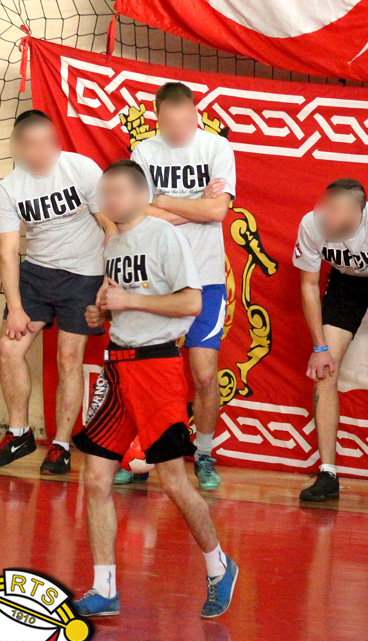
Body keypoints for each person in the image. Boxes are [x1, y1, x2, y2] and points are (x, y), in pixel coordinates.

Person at [72, 161, 237, 618]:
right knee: (96, 477)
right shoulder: (114, 244)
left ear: (142, 195)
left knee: (173, 481)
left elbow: (192, 301)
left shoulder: (165, 237)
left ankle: (219, 566)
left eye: (119, 191)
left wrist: (129, 300)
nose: (110, 199)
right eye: (105, 192)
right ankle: (104, 587)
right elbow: (122, 303)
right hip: (118, 367)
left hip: (156, 368)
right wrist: (104, 313)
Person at [0, 110, 115, 475]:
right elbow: (8, 251)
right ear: (19, 148)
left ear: (56, 143)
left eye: (46, 142)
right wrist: (15, 306)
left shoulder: (82, 169)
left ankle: (61, 445)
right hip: (37, 274)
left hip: (84, 274)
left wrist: (107, 281)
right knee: (9, 347)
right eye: (32, 144)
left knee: (69, 357)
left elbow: (110, 226)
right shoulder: (10, 188)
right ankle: (19, 433)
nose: (40, 151)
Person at [124, 81, 236, 490]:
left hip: (205, 280)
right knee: (149, 373)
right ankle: (141, 452)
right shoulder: (144, 152)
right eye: (169, 124)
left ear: (195, 114)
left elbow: (218, 211)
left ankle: (203, 453)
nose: (178, 131)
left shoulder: (216, 148)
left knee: (204, 375)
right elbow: (136, 214)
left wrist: (164, 201)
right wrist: (196, 206)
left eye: (185, 122)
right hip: (158, 280)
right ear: (157, 119)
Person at [294, 179, 368, 509]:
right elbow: (308, 285)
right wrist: (320, 348)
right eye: (326, 206)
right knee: (324, 372)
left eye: (336, 210)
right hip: (346, 283)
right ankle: (328, 473)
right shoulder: (312, 224)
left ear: (358, 213)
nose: (327, 215)